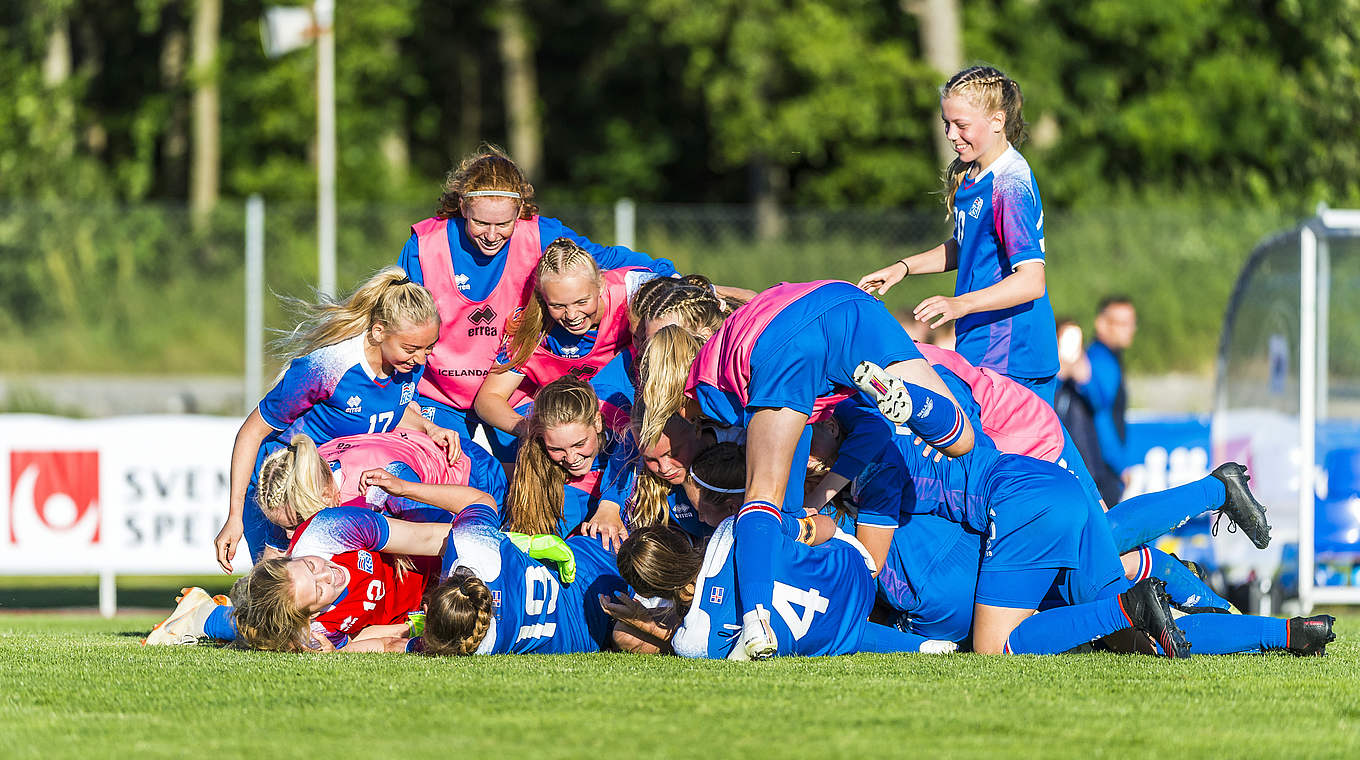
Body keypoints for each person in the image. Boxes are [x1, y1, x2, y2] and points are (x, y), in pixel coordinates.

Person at [396, 146, 676, 440]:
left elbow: (605, 259)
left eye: (504, 224)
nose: (492, 236)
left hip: (514, 393)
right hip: (437, 396)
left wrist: (672, 275)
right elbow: (401, 325)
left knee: (529, 474)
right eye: (480, 222)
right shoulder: (425, 247)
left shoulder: (540, 234)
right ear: (464, 207)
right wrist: (403, 394)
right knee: (449, 470)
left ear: (519, 212)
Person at [213, 268, 461, 571]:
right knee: (282, 593)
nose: (421, 359)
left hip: (336, 492)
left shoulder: (407, 364)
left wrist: (429, 428)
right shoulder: (327, 368)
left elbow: (385, 411)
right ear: (379, 331)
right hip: (286, 493)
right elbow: (251, 434)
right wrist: (234, 517)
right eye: (412, 349)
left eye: (428, 348)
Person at [856, 65, 1058, 405]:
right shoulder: (974, 175)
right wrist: (903, 267)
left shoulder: (1009, 185)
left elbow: (1031, 281)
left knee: (1004, 458)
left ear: (997, 121)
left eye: (961, 125)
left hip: (1014, 353)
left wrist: (958, 305)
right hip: (981, 344)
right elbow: (967, 247)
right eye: (946, 123)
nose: (951, 134)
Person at [473, 238, 655, 462]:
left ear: (600, 284)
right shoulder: (531, 327)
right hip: (556, 418)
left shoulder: (631, 293)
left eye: (582, 301)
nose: (572, 315)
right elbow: (488, 399)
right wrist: (536, 431)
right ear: (543, 298)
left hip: (617, 410)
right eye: (558, 306)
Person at [415, 501, 630, 656]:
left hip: (598, 630)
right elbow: (479, 500)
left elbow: (391, 645)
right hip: (597, 555)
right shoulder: (472, 547)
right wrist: (404, 487)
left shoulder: (484, 646)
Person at [254, 429, 506, 534]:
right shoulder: (313, 463)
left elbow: (437, 534)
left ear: (321, 497)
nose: (289, 537)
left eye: (296, 522)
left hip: (472, 478)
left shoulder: (378, 486)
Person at [501, 377, 632, 545]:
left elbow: (629, 459)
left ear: (598, 423)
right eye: (556, 449)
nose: (571, 459)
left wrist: (610, 505)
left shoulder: (617, 410)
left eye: (579, 444)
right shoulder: (537, 445)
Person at [1079, 296, 1137, 503]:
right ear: (1101, 324)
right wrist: (1121, 466)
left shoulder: (1103, 358)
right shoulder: (1102, 361)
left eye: (1132, 323)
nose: (1130, 329)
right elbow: (1101, 416)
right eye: (1122, 323)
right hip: (1101, 470)